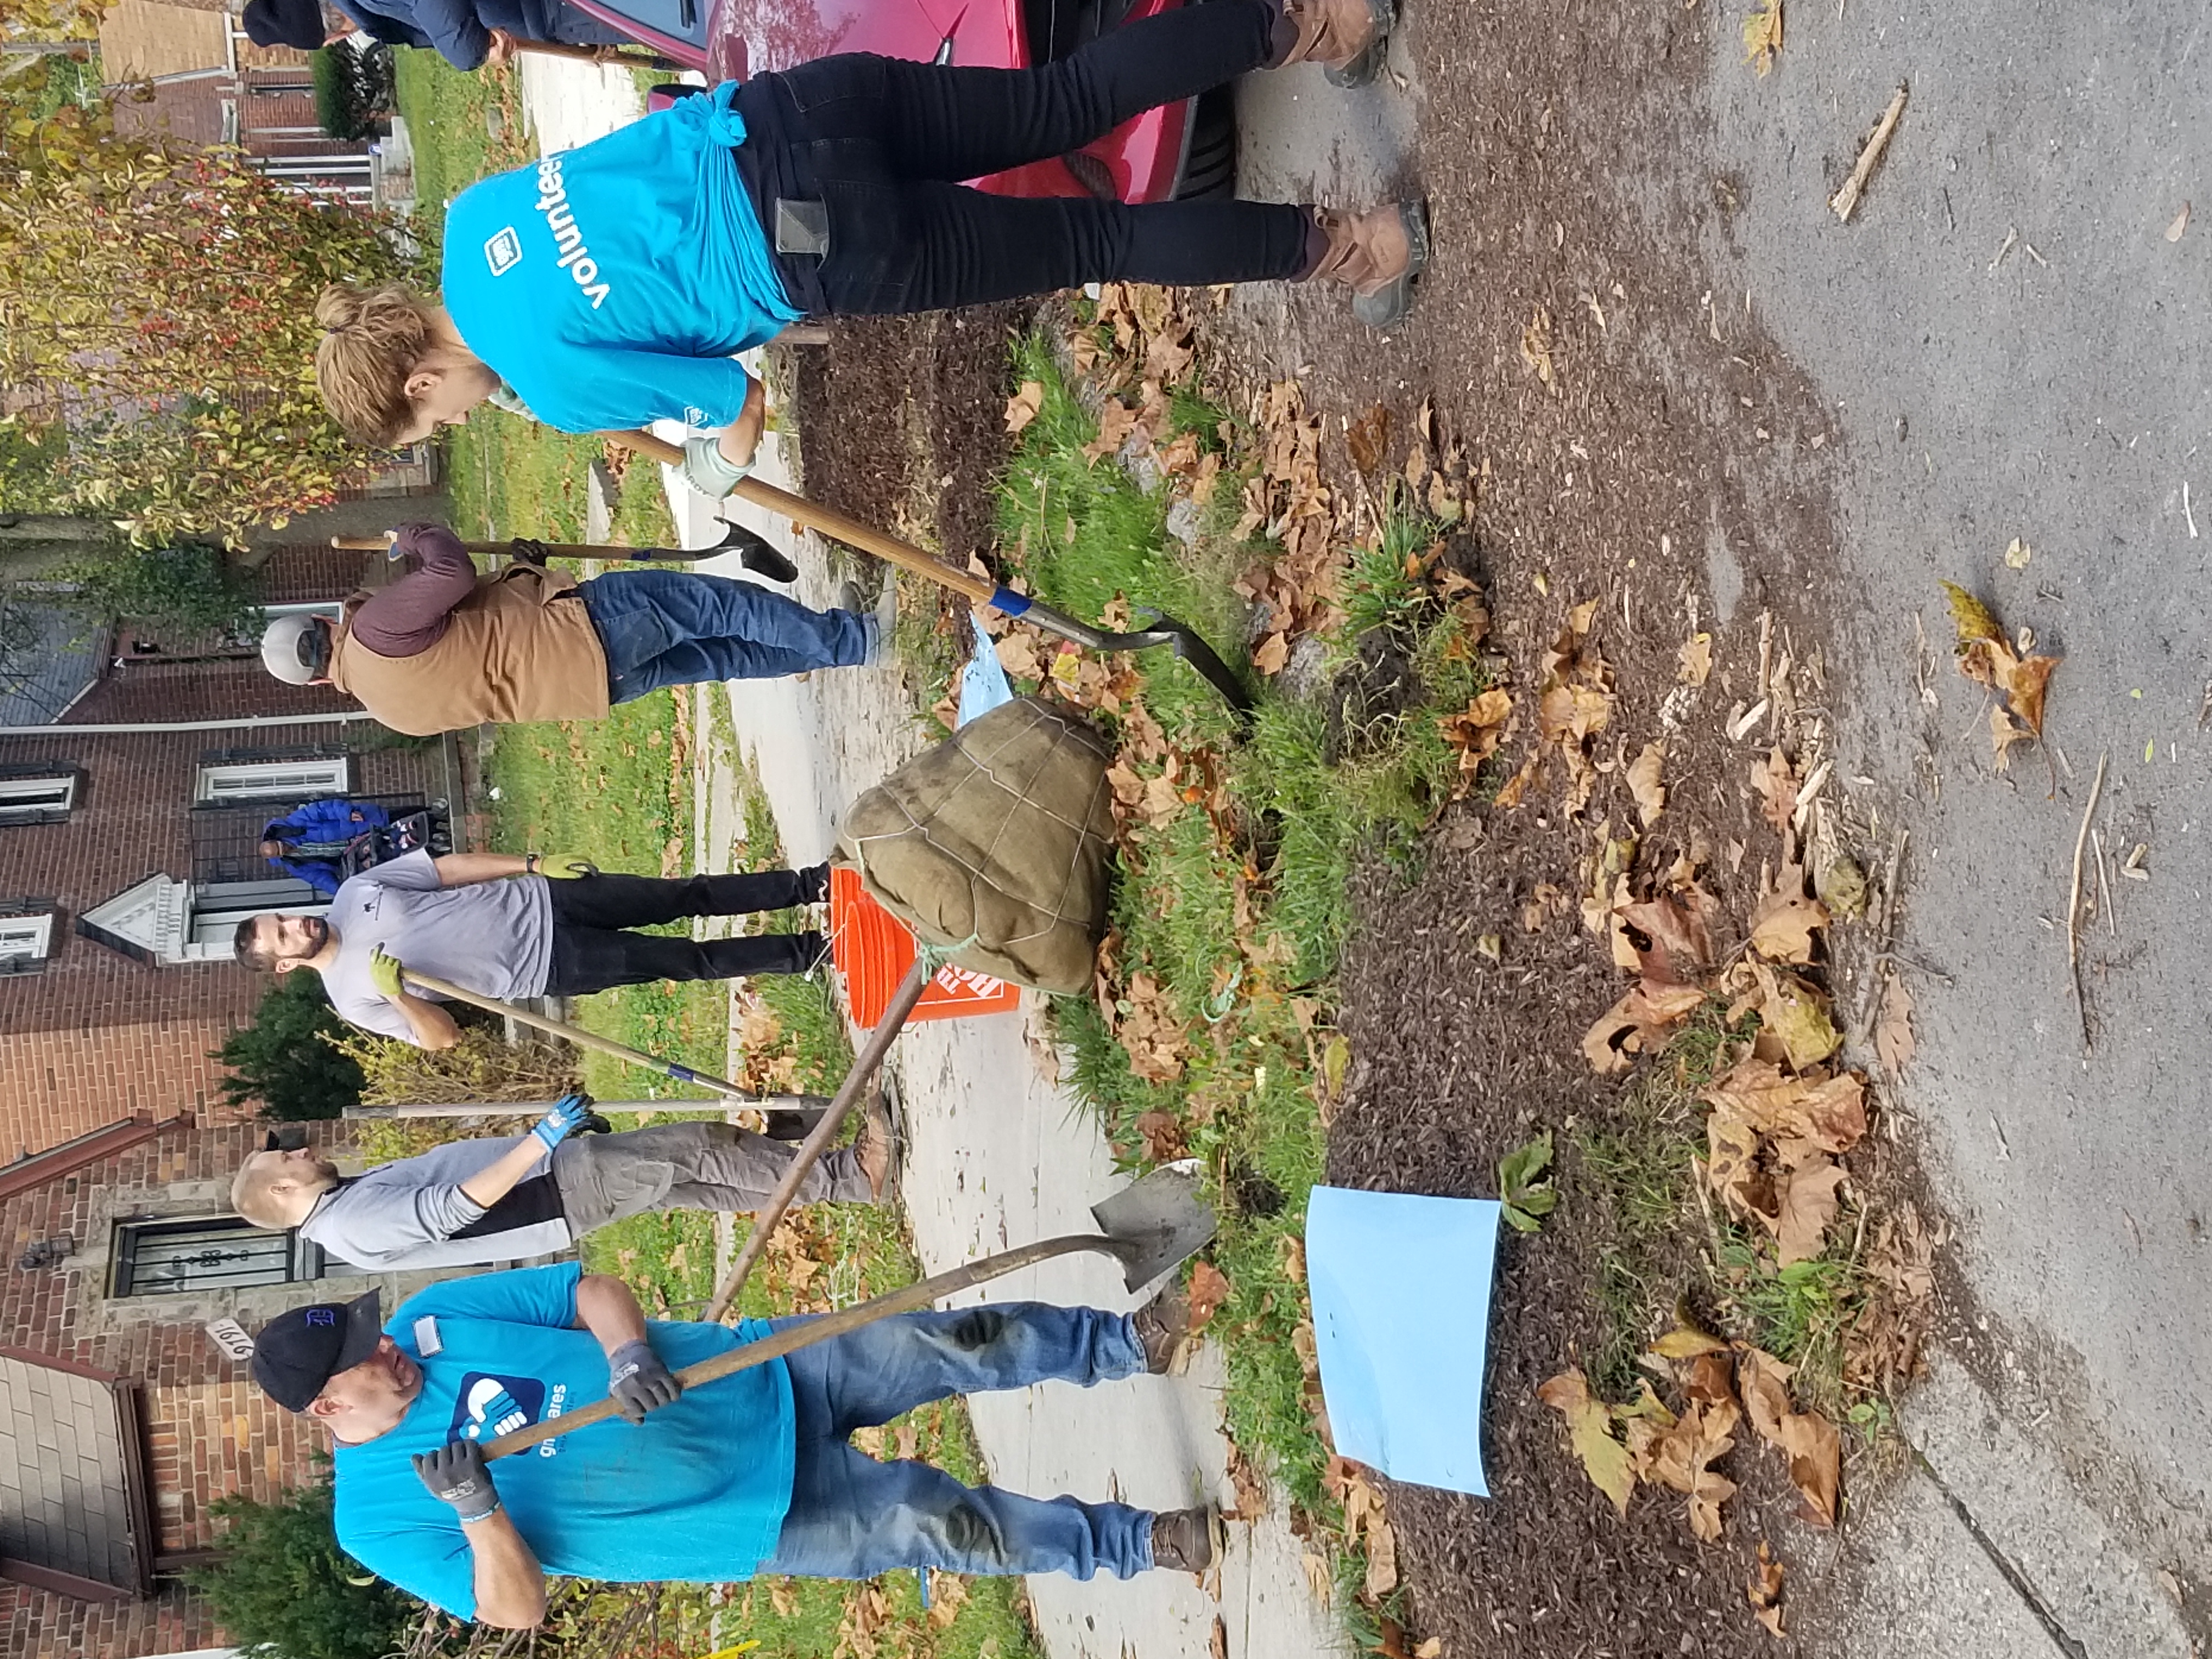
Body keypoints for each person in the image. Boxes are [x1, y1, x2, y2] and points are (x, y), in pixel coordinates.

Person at [306, 0, 1427, 503]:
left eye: (434, 416)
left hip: (810, 241)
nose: (457, 419)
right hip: (793, 112)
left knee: (1099, 233)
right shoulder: (468, 222)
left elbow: (728, 398)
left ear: (419, 377)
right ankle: (1323, 21)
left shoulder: (548, 386)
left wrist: (714, 471)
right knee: (1064, 98)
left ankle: (1362, 250)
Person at [249, 1266, 1211, 1625]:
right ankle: (1139, 1542)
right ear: (327, 1407)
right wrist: (477, 1507)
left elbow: (584, 1287)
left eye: (368, 1329)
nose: (384, 1345)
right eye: (358, 1358)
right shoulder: (376, 1514)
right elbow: (514, 1610)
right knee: (944, 1526)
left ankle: (1124, 1341)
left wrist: (626, 1350)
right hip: (750, 1514)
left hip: (759, 1370)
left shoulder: (433, 1316)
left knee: (938, 1340)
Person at [254, 521, 881, 733]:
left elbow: (480, 653)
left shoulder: (389, 709)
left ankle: (833, 646)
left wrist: (524, 572)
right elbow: (449, 573)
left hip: (591, 686)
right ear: (320, 620)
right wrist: (412, 537)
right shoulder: (374, 630)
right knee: (721, 609)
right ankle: (853, 640)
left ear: (316, 684)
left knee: (723, 656)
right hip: (589, 629)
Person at [231, 844, 832, 1049]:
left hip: (548, 899)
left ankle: (810, 885)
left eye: (282, 915)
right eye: (282, 935)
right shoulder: (353, 1000)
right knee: (689, 962)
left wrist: (533, 863)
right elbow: (443, 1040)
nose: (294, 923)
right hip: (549, 965)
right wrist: (401, 997)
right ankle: (810, 952)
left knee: (685, 894)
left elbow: (446, 870)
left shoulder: (356, 890)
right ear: (285, 964)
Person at [231, 1095, 892, 1271]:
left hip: (559, 1187)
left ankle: (846, 1180)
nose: (303, 1152)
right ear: (285, 1195)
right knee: (697, 1149)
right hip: (554, 1189)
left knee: (693, 1182)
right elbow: (454, 1207)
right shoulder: (351, 1225)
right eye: (289, 1162)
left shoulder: (343, 1209)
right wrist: (541, 1143)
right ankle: (853, 1174)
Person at [259, 797, 394, 898]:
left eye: (281, 845)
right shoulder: (295, 865)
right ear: (278, 857)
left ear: (277, 839)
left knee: (407, 820)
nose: (285, 849)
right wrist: (340, 892)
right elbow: (320, 878)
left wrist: (347, 813)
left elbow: (323, 809)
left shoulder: (295, 822)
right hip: (358, 853)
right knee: (394, 853)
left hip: (360, 826)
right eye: (281, 852)